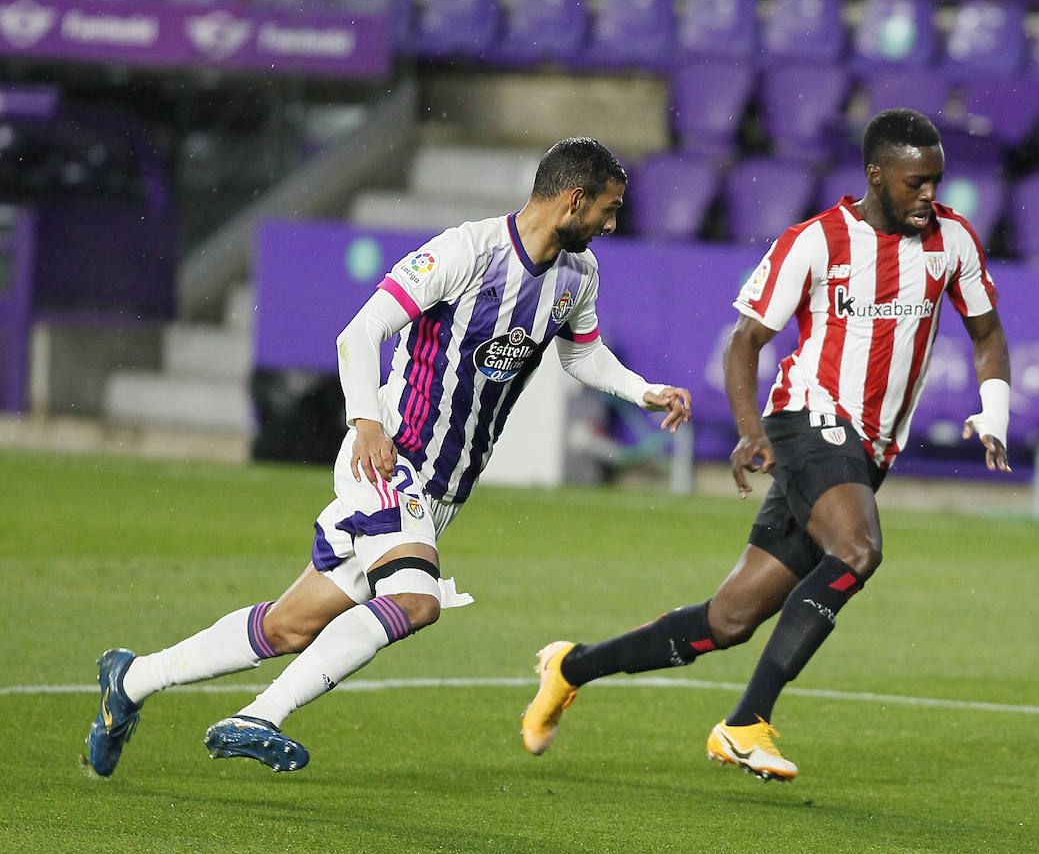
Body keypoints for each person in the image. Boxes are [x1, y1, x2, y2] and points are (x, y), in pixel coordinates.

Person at [86, 137, 693, 776]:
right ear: (575, 199)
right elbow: (360, 332)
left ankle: (129, 681)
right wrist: (367, 422)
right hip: (389, 457)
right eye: (608, 209)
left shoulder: (578, 276)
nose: (612, 224)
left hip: (440, 491)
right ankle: (258, 716)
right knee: (415, 600)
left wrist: (644, 391)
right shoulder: (465, 252)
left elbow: (582, 354)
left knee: (291, 627)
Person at [520, 109, 1011, 782]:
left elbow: (986, 332)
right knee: (859, 548)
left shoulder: (953, 240)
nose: (929, 195)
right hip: (807, 418)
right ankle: (747, 721)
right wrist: (752, 429)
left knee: (727, 620)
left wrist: (996, 411)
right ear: (876, 175)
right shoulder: (816, 242)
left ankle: (570, 666)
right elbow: (747, 342)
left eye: (935, 182)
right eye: (915, 183)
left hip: (865, 450)